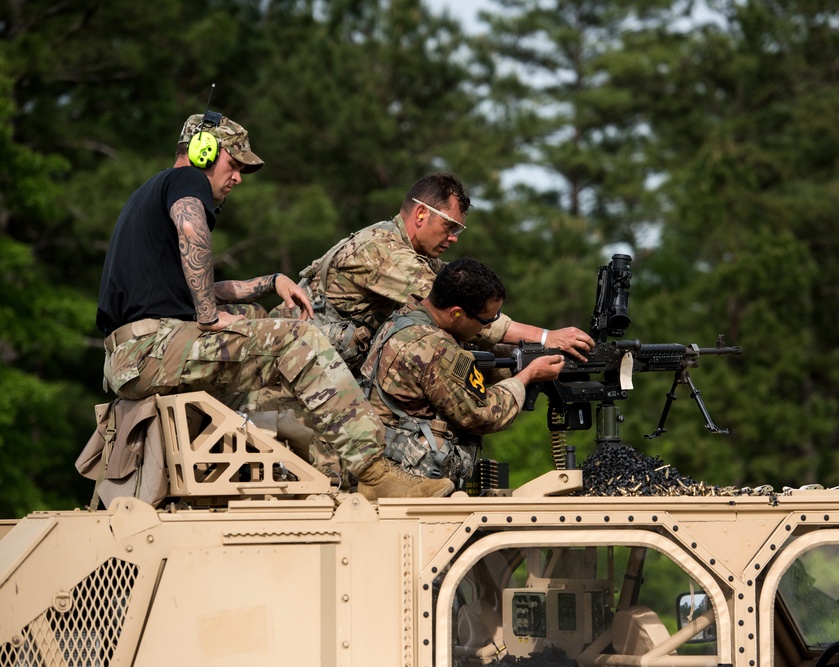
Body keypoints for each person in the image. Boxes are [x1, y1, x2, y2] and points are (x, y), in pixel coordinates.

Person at [96, 112, 453, 499]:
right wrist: (208, 316)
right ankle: (374, 470)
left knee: (259, 324)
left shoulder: (148, 195)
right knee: (296, 339)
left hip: (142, 351)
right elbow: (190, 229)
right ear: (202, 152)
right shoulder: (185, 181)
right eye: (233, 165)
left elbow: (195, 287)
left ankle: (320, 471)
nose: (236, 179)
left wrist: (270, 282)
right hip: (150, 349)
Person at [273, 173, 595, 372]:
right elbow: (461, 312)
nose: (453, 238)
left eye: (459, 230)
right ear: (422, 214)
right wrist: (545, 337)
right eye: (449, 226)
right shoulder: (384, 252)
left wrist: (530, 352)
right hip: (293, 364)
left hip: (325, 364)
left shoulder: (416, 253)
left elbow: (474, 309)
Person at [357, 257, 565, 495]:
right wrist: (528, 376)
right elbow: (483, 414)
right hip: (411, 486)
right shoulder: (434, 346)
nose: (486, 329)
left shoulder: (405, 319)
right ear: (456, 313)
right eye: (485, 321)